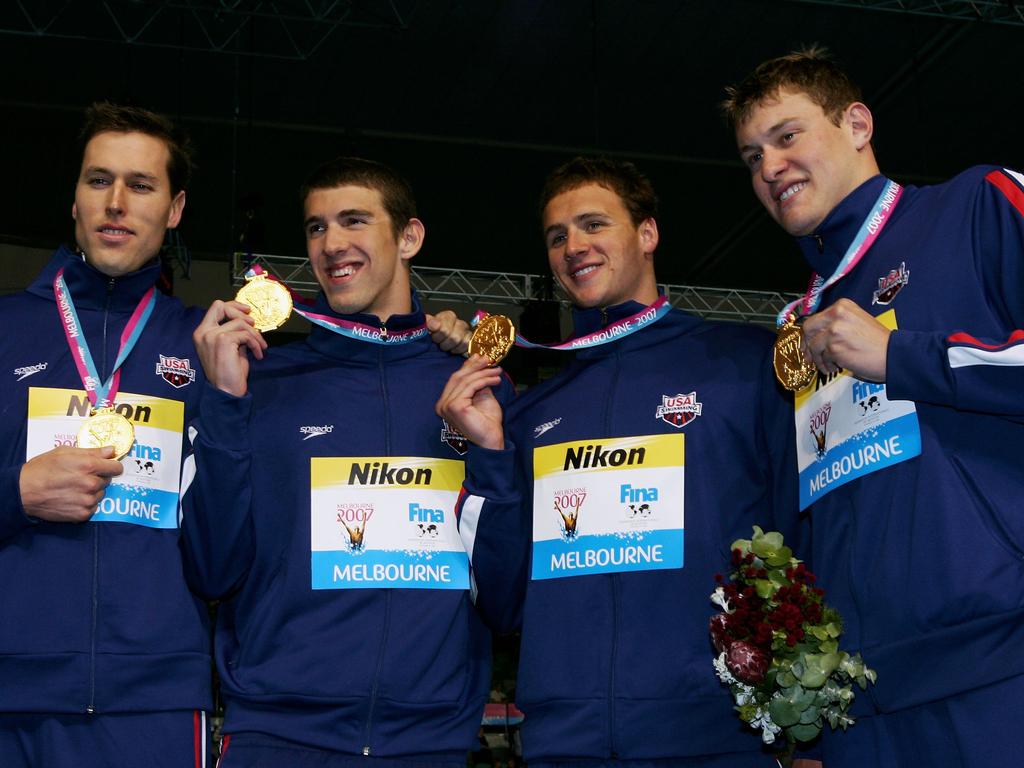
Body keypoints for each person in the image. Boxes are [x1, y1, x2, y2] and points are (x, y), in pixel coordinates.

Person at [437, 157, 798, 766]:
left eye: (593, 224)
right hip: (564, 743)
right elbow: (501, 602)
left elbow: (804, 532)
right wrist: (492, 455)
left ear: (648, 234)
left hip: (717, 737)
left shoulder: (743, 365)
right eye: (557, 236)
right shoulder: (530, 414)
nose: (574, 246)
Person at [724, 47, 1024, 767]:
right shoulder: (799, 327)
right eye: (751, 155)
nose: (769, 167)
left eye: (787, 136)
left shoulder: (978, 202)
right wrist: (801, 700)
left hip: (996, 664)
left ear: (857, 124)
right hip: (859, 700)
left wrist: (902, 357)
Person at [181, 156, 513, 766]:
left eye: (354, 220)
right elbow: (211, 569)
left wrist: (490, 455)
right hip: (277, 737)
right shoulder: (261, 383)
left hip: (430, 741)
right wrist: (225, 405)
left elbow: (505, 595)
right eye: (315, 227)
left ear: (409, 236)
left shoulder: (476, 388)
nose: (332, 243)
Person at [0, 103, 213, 767]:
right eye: (98, 181)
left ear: (175, 209)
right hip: (11, 694)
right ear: (74, 200)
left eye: (140, 185)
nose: (116, 202)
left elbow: (231, 544)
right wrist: (15, 494)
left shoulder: (208, 345)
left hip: (154, 699)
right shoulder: (7, 328)